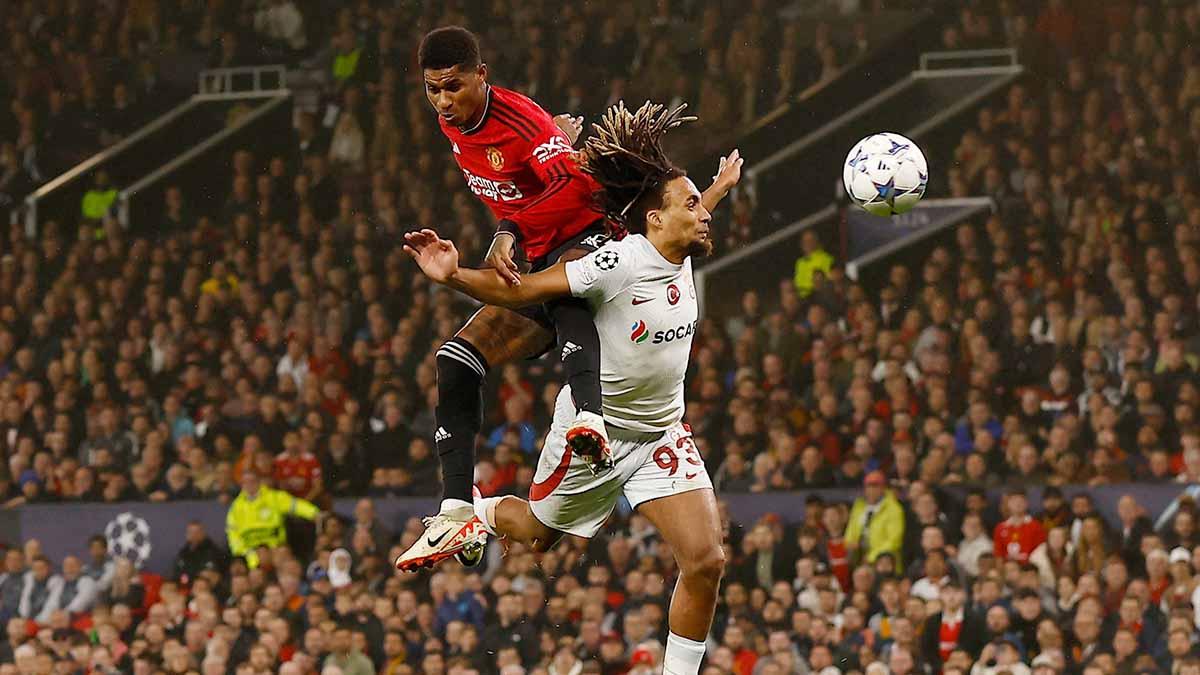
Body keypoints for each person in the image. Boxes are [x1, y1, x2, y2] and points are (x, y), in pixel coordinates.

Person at [403, 100, 742, 675]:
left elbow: (686, 216)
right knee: (538, 537)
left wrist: (714, 190)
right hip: (597, 437)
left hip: (661, 432)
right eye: (692, 206)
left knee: (706, 560)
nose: (703, 214)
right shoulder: (616, 263)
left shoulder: (679, 244)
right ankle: (476, 516)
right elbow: (521, 291)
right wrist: (454, 275)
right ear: (655, 220)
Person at [397, 27, 732, 570]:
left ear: (482, 75)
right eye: (432, 89)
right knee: (455, 361)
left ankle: (589, 417)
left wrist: (510, 226)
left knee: (568, 286)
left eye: (452, 86)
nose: (442, 100)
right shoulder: (451, 123)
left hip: (589, 242)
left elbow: (575, 188)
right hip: (537, 257)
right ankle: (457, 509)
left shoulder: (522, 121)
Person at [226, 470, 320, 569]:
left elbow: (296, 505)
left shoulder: (274, 497)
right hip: (251, 549)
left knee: (283, 555)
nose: (249, 484)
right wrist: (245, 552)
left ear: (259, 482)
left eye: (252, 481)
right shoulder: (235, 507)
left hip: (275, 544)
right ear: (242, 485)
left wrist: (314, 513)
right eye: (246, 482)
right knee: (258, 560)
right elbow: (232, 533)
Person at [845, 471, 906, 570]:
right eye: (869, 486)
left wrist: (872, 557)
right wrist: (851, 545)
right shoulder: (859, 507)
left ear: (883, 488)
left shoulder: (893, 508)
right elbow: (850, 533)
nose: (872, 490)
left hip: (884, 562)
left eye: (875, 486)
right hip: (859, 560)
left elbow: (894, 541)